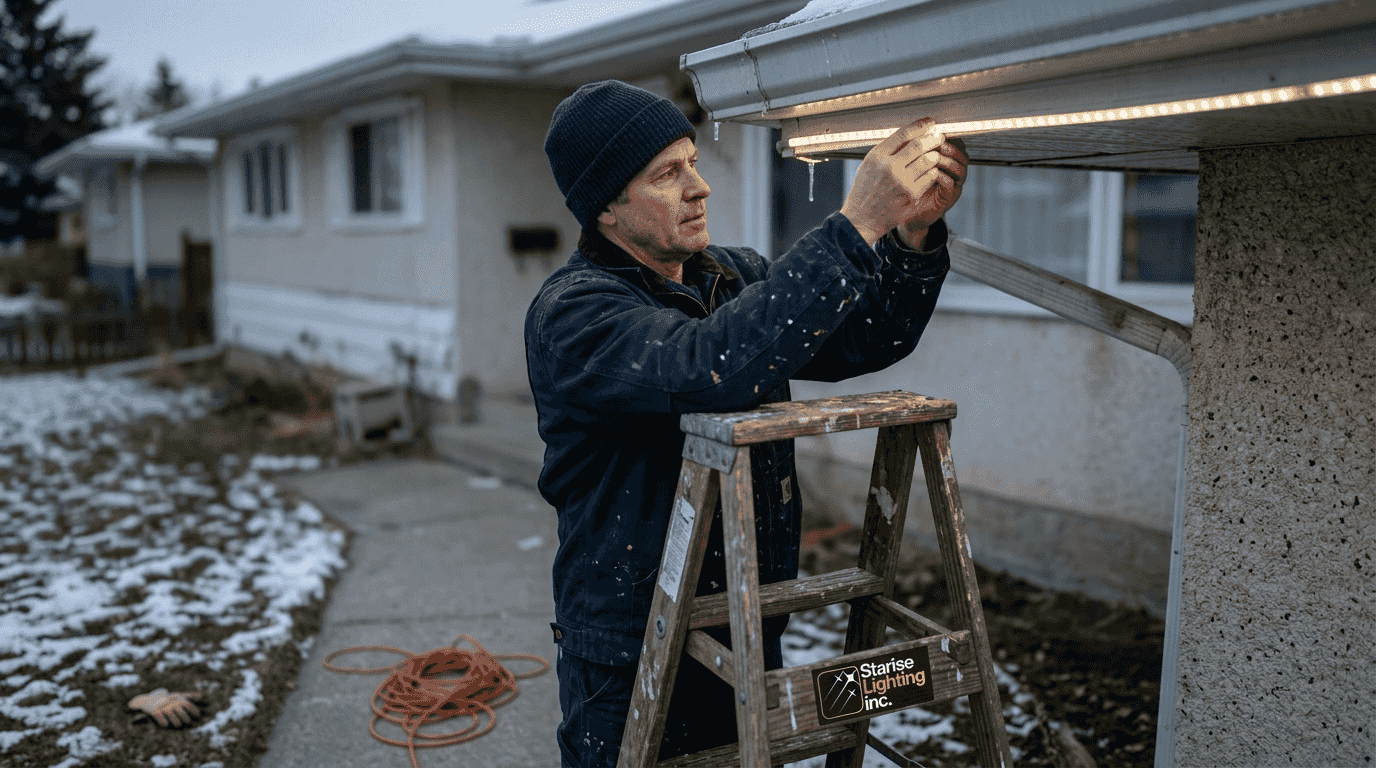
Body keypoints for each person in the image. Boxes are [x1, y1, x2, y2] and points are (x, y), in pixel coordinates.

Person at [526, 79, 968, 767]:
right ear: (607, 206)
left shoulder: (733, 278)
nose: (699, 187)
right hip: (633, 642)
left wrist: (911, 235)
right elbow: (711, 367)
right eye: (667, 175)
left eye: (693, 162)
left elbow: (870, 337)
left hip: (746, 622)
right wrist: (854, 228)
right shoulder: (575, 314)